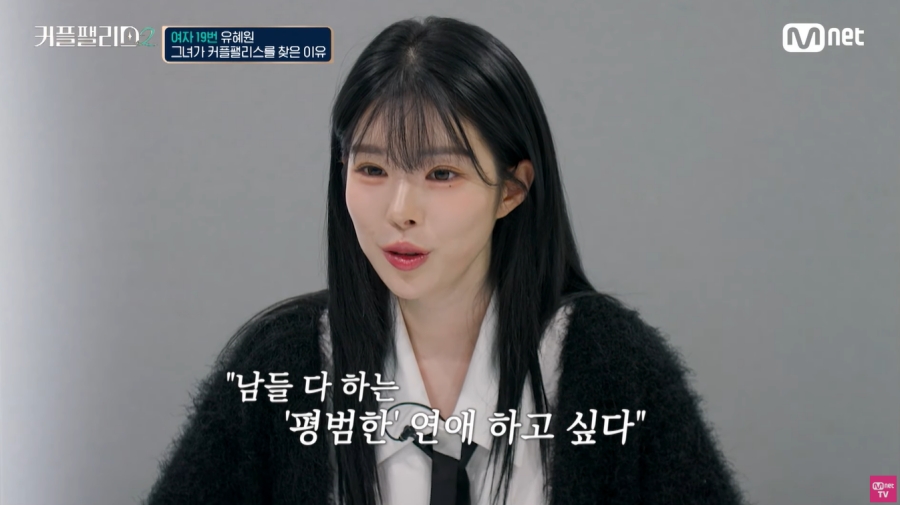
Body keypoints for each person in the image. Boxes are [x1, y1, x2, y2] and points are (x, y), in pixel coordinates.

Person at [144, 16, 746, 505]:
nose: (400, 211)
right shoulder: (284, 364)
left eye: (441, 173)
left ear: (511, 189)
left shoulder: (614, 368)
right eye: (372, 169)